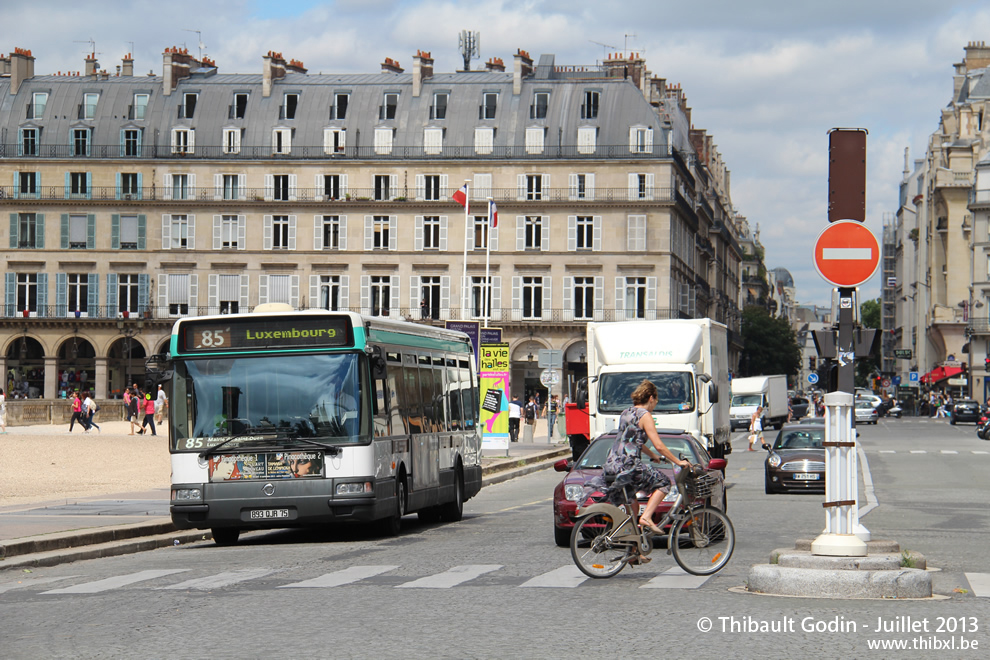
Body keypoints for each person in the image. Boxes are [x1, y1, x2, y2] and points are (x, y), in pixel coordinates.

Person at [595, 380, 691, 559]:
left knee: (633, 505)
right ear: (652, 398)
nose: (656, 405)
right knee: (664, 483)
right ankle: (646, 518)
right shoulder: (645, 415)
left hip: (613, 464)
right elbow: (660, 445)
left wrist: (652, 455)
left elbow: (631, 440)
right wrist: (678, 462)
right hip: (629, 465)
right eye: (656, 401)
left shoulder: (626, 412)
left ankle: (633, 550)